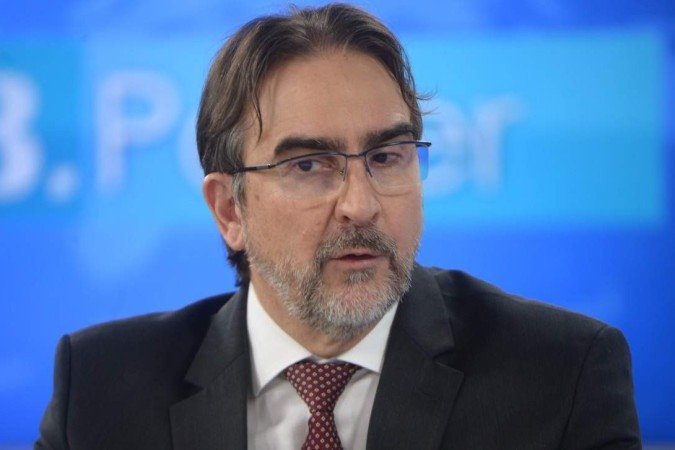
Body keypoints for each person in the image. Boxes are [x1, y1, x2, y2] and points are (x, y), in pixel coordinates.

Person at [36, 3, 641, 449]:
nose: (361, 204)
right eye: (309, 165)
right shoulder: (101, 392)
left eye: (387, 157)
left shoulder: (562, 375)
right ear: (229, 210)